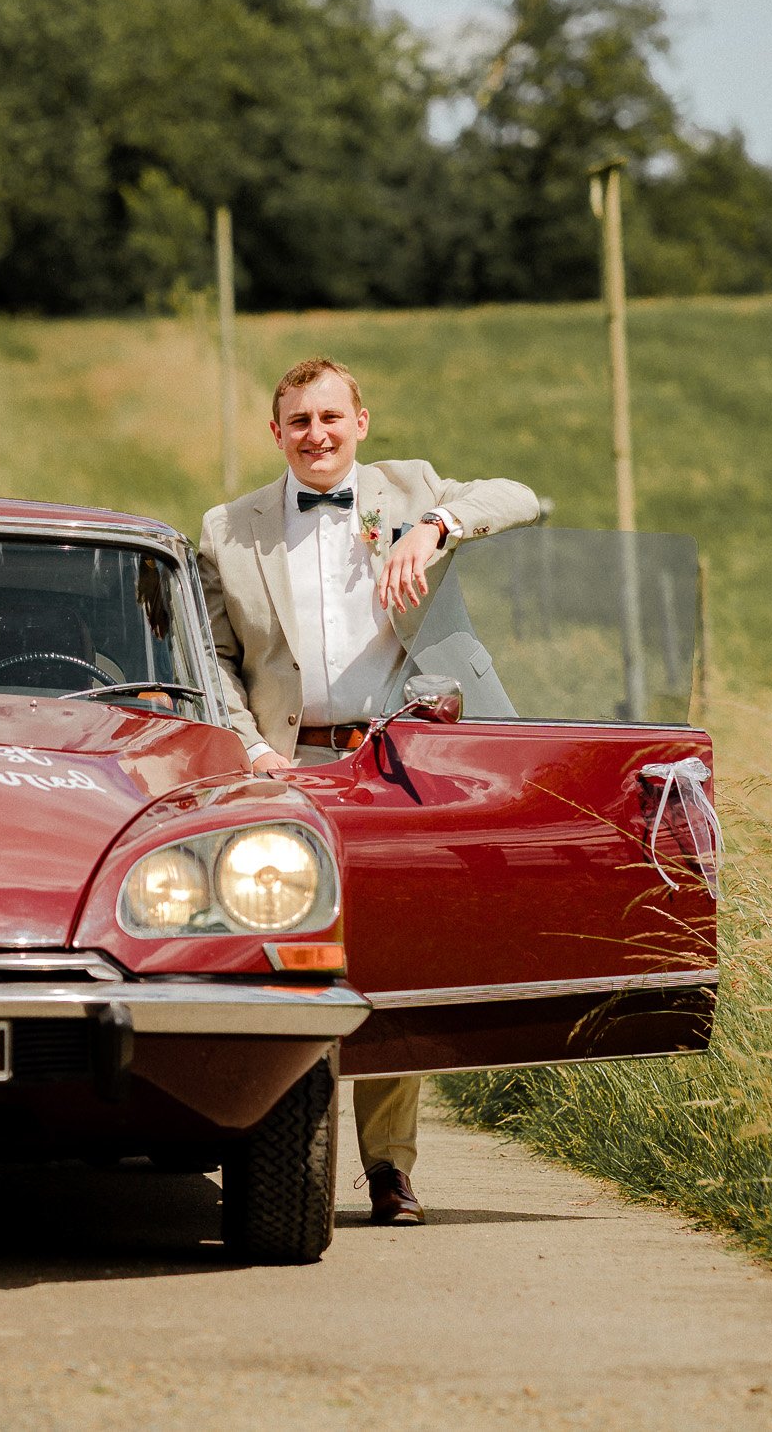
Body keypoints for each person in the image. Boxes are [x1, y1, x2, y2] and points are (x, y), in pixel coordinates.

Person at [196, 356, 537, 1227]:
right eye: (299, 420)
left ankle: (390, 1168)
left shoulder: (409, 488)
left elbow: (522, 495)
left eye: (330, 417)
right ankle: (275, 1150)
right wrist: (249, 751)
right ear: (277, 433)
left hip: (399, 759)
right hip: (288, 766)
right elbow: (215, 662)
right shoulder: (227, 529)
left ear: (361, 421)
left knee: (391, 954)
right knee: (287, 953)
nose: (317, 434)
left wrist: (437, 525)